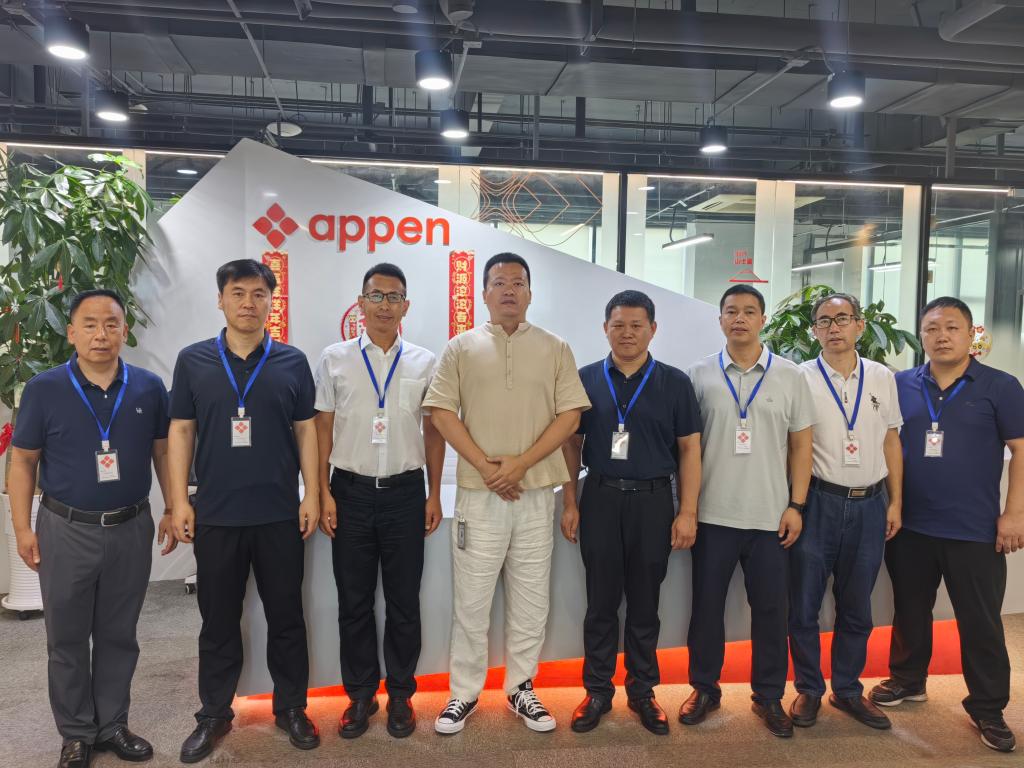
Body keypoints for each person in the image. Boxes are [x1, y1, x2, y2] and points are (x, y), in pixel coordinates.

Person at [423, 252, 591, 734]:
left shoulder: (555, 347)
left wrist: (521, 464)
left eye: (518, 282)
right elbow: (441, 412)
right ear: (484, 293)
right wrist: (486, 466)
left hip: (536, 494)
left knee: (531, 599)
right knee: (472, 600)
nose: (509, 290)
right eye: (499, 282)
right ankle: (463, 692)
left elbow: (570, 416)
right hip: (479, 496)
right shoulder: (460, 347)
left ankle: (521, 688)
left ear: (530, 293)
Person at [8, 289, 176, 768]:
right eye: (89, 324)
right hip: (66, 528)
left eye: (111, 324)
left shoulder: (148, 387)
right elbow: (23, 462)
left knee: (119, 634)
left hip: (130, 526)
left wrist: (172, 507)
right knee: (66, 638)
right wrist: (22, 528)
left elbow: (164, 452)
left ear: (125, 330)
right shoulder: (44, 388)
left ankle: (113, 725)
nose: (101, 334)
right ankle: (77, 733)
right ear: (71, 332)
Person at [167, 259, 321, 762]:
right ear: (220, 300)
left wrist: (312, 494)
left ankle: (291, 707)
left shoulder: (292, 361)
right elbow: (181, 430)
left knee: (287, 617)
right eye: (238, 293)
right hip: (216, 514)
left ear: (271, 302)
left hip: (278, 513)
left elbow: (306, 430)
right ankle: (214, 713)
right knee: (217, 621)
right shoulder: (193, 361)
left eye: (258, 294)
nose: (248, 303)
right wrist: (178, 500)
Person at [870, 296, 1024, 754]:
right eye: (932, 328)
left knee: (980, 621)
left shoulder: (1000, 386)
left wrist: (1014, 514)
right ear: (921, 335)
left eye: (952, 327)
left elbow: (1021, 451)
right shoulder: (900, 383)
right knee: (910, 609)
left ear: (970, 334)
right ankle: (908, 679)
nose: (942, 336)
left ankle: (988, 706)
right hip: (911, 523)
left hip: (975, 528)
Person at [560, 290, 701, 735]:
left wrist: (688, 511)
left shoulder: (675, 383)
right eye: (618, 325)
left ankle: (642, 691)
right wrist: (570, 501)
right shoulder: (585, 379)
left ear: (652, 330)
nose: (627, 333)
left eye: (637, 325)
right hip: (600, 497)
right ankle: (597, 691)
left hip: (654, 502)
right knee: (600, 602)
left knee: (645, 602)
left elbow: (689, 450)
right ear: (605, 328)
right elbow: (572, 444)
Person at [313, 263, 444, 740]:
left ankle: (402, 696)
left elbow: (433, 431)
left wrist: (433, 492)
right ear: (360, 303)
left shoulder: (425, 361)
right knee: (354, 601)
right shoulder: (335, 358)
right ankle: (361, 695)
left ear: (406, 306)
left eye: (393, 297)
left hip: (405, 494)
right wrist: (322, 491)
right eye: (376, 296)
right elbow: (322, 428)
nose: (384, 305)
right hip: (348, 493)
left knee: (405, 602)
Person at [681, 284, 814, 739]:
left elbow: (801, 446)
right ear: (719, 319)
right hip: (713, 515)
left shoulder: (790, 376)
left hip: (770, 517)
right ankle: (704, 688)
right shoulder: (698, 375)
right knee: (706, 610)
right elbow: (687, 448)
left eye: (749, 311)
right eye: (731, 311)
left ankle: (769, 695)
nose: (739, 318)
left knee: (772, 612)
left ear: (762, 320)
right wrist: (688, 509)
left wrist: (796, 505)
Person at [788, 292, 903, 731]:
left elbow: (891, 441)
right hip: (818, 502)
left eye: (842, 318)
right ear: (814, 330)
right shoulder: (799, 377)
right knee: (804, 604)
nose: (833, 327)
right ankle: (808, 689)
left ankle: (849, 689)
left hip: (870, 504)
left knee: (857, 606)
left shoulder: (882, 377)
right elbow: (792, 447)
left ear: (859, 325)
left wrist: (895, 501)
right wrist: (794, 504)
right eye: (824, 321)